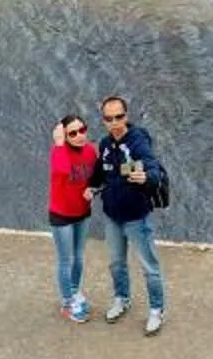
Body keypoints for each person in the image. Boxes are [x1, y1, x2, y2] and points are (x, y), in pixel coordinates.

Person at [91, 93, 167, 334]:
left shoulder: (138, 142)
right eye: (109, 118)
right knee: (116, 263)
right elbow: (99, 175)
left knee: (149, 266)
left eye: (119, 117)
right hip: (113, 216)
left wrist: (147, 177)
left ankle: (156, 310)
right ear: (103, 120)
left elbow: (151, 165)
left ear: (127, 116)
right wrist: (90, 187)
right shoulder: (104, 145)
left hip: (136, 218)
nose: (115, 123)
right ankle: (121, 298)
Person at [46, 113, 97, 321]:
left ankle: (75, 292)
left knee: (78, 256)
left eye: (82, 130)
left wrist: (95, 188)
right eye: (73, 133)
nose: (79, 136)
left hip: (82, 212)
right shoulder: (59, 152)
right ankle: (67, 303)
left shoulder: (91, 151)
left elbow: (97, 175)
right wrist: (59, 143)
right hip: (62, 215)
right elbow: (63, 170)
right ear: (65, 136)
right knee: (66, 260)